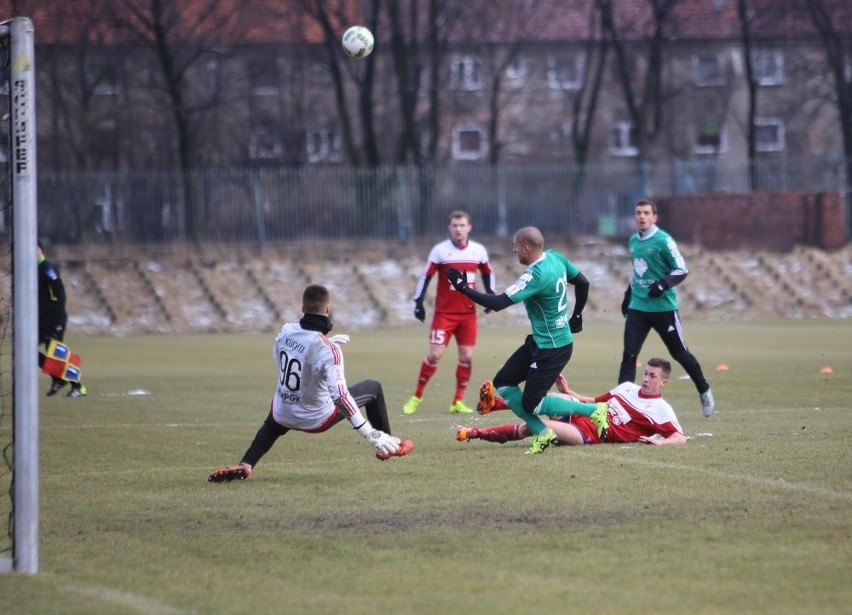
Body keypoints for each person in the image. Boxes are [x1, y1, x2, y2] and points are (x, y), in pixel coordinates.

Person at [209, 284, 414, 482]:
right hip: (316, 418)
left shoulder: (287, 330)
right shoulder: (328, 350)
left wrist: (325, 347)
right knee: (374, 388)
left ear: (302, 308)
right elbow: (340, 397)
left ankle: (246, 464)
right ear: (327, 309)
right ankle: (387, 445)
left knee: (272, 425)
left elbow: (280, 358)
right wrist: (370, 434)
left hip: (283, 413)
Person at [446, 226, 589, 455]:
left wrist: (463, 288)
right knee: (503, 382)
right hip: (542, 342)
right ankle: (543, 433)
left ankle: (594, 411)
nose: (513, 250)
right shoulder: (556, 257)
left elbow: (497, 303)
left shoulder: (535, 275)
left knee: (533, 403)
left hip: (553, 347)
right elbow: (583, 283)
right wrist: (578, 315)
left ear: (526, 248)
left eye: (514, 245)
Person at [620, 199, 715, 417]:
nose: (642, 217)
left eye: (646, 213)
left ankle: (703, 389)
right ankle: (620, 404)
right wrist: (627, 296)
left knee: (679, 353)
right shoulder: (633, 241)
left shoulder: (664, 240)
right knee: (629, 355)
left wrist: (663, 284)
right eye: (638, 213)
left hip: (663, 309)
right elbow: (637, 272)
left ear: (654, 217)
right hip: (639, 308)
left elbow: (681, 269)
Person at [457, 358, 687, 447]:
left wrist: (661, 443)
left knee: (537, 428)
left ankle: (477, 433)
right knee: (554, 399)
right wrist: (569, 391)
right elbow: (593, 401)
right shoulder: (627, 387)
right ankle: (495, 404)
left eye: (652, 376)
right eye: (645, 373)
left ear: (663, 382)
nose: (646, 379)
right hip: (585, 412)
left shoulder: (661, 410)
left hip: (591, 433)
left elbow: (680, 437)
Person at [404, 210, 495, 415]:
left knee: (467, 356)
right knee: (435, 355)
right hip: (444, 314)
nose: (458, 229)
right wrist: (418, 302)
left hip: (468, 314)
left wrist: (490, 295)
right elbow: (425, 276)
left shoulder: (478, 251)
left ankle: (457, 402)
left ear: (469, 227)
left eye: (462, 225)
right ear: (449, 227)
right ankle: (416, 397)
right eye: (454, 225)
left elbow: (488, 273)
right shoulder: (440, 251)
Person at [38, 241, 87, 398]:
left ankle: (78, 387)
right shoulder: (30, 270)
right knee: (26, 350)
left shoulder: (48, 269)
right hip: (40, 319)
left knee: (57, 353)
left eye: (35, 248)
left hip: (54, 319)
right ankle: (57, 378)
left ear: (41, 251)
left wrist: (58, 321)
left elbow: (61, 295)